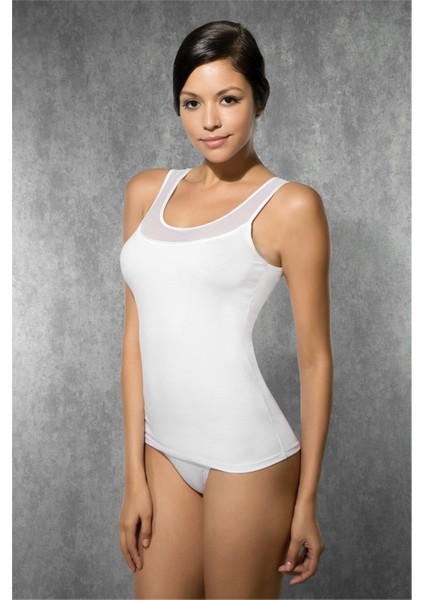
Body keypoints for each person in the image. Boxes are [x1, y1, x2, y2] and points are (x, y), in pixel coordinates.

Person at [118, 20, 333, 600]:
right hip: (163, 452)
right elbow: (135, 338)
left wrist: (306, 501)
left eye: (228, 99)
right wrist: (134, 476)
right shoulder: (146, 193)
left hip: (248, 458)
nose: (209, 121)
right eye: (192, 103)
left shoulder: (290, 207)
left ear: (259, 99)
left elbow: (315, 360)